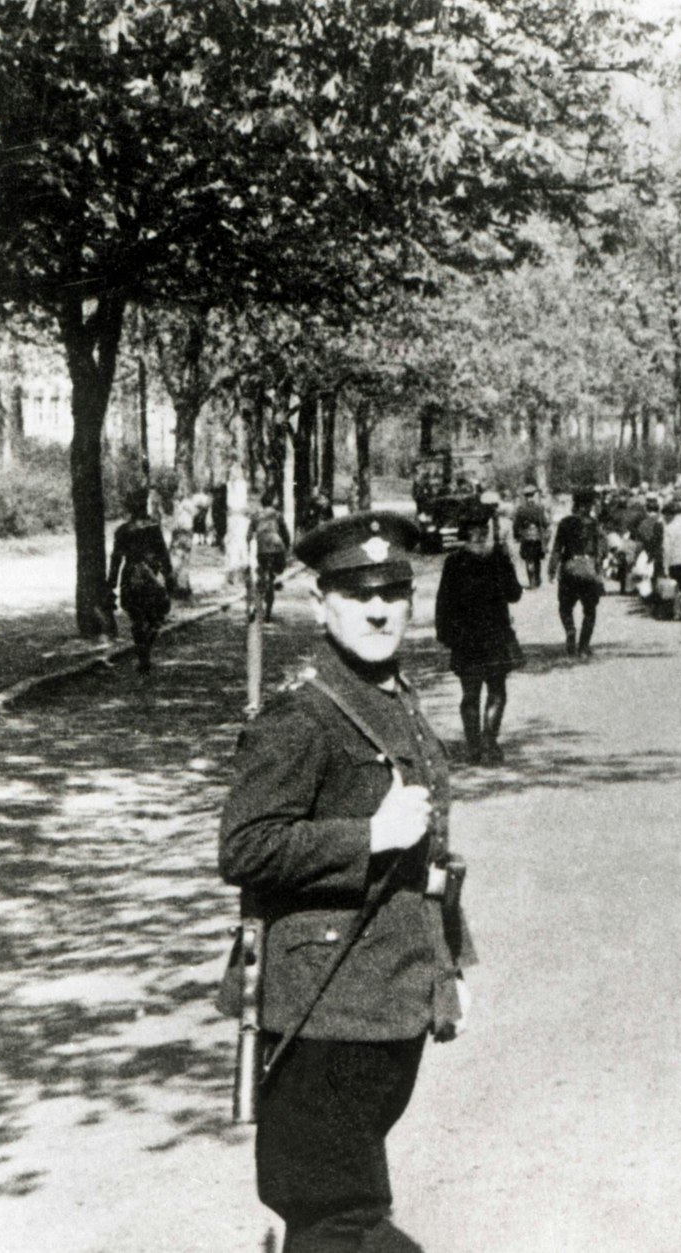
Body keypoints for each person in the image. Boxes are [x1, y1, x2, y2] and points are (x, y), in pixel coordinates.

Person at [217, 511, 472, 1253]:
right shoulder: (304, 714)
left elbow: (429, 861)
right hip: (322, 1009)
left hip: (388, 1002)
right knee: (338, 1218)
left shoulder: (393, 698)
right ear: (319, 603)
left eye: (393, 592)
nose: (379, 609)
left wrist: (447, 963)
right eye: (358, 594)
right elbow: (245, 845)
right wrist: (367, 835)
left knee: (339, 1214)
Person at [435, 514, 523, 763]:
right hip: (495, 634)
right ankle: (489, 745)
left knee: (469, 693)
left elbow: (443, 601)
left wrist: (445, 634)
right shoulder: (498, 558)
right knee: (497, 690)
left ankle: (474, 747)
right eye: (482, 529)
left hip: (466, 638)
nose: (483, 533)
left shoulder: (454, 561)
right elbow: (515, 594)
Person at [108, 488, 174, 673]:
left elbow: (116, 558)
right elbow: (162, 552)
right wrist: (168, 574)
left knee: (137, 618)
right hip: (150, 578)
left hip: (130, 576)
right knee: (156, 617)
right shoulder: (152, 527)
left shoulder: (122, 530)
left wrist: (111, 582)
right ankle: (145, 650)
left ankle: (142, 655)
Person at [548, 495, 605, 659]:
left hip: (569, 569)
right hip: (588, 569)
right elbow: (600, 551)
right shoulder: (594, 524)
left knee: (565, 607)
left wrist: (552, 569)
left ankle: (570, 630)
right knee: (590, 610)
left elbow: (557, 548)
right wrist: (599, 572)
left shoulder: (565, 523)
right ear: (589, 506)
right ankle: (584, 646)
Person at [251, 489, 292, 620]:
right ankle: (277, 579)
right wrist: (288, 543)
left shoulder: (256, 515)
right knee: (278, 568)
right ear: (272, 503)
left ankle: (263, 583)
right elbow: (285, 532)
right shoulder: (277, 515)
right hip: (276, 547)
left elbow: (249, 533)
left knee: (262, 571)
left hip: (262, 549)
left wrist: (248, 544)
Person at [514, 485, 550, 589]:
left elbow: (516, 525)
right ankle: (537, 579)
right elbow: (544, 523)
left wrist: (516, 536)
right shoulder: (539, 508)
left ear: (525, 497)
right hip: (537, 537)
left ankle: (531, 581)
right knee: (537, 559)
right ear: (533, 496)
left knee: (528, 559)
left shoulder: (521, 509)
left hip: (525, 538)